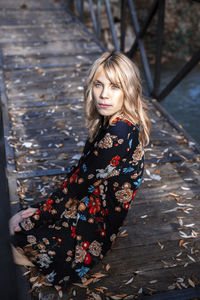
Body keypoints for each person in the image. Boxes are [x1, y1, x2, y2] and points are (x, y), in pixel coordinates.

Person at [10, 51, 151, 294]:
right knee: (24, 223)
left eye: (115, 86)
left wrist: (34, 217)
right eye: (99, 84)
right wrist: (39, 209)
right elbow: (80, 175)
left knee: (17, 235)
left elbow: (76, 189)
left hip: (96, 224)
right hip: (92, 203)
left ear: (128, 90)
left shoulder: (118, 134)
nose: (104, 94)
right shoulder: (117, 120)